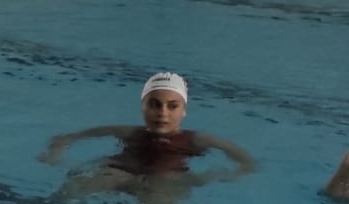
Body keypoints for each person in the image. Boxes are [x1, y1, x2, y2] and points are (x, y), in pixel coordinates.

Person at [41, 72, 254, 190]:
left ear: (184, 111)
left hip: (161, 183)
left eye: (172, 106)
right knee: (75, 189)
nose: (162, 113)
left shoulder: (196, 139)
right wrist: (54, 153)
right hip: (118, 173)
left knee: (164, 188)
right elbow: (68, 137)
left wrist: (209, 178)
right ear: (142, 108)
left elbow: (246, 162)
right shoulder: (129, 132)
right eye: (154, 105)